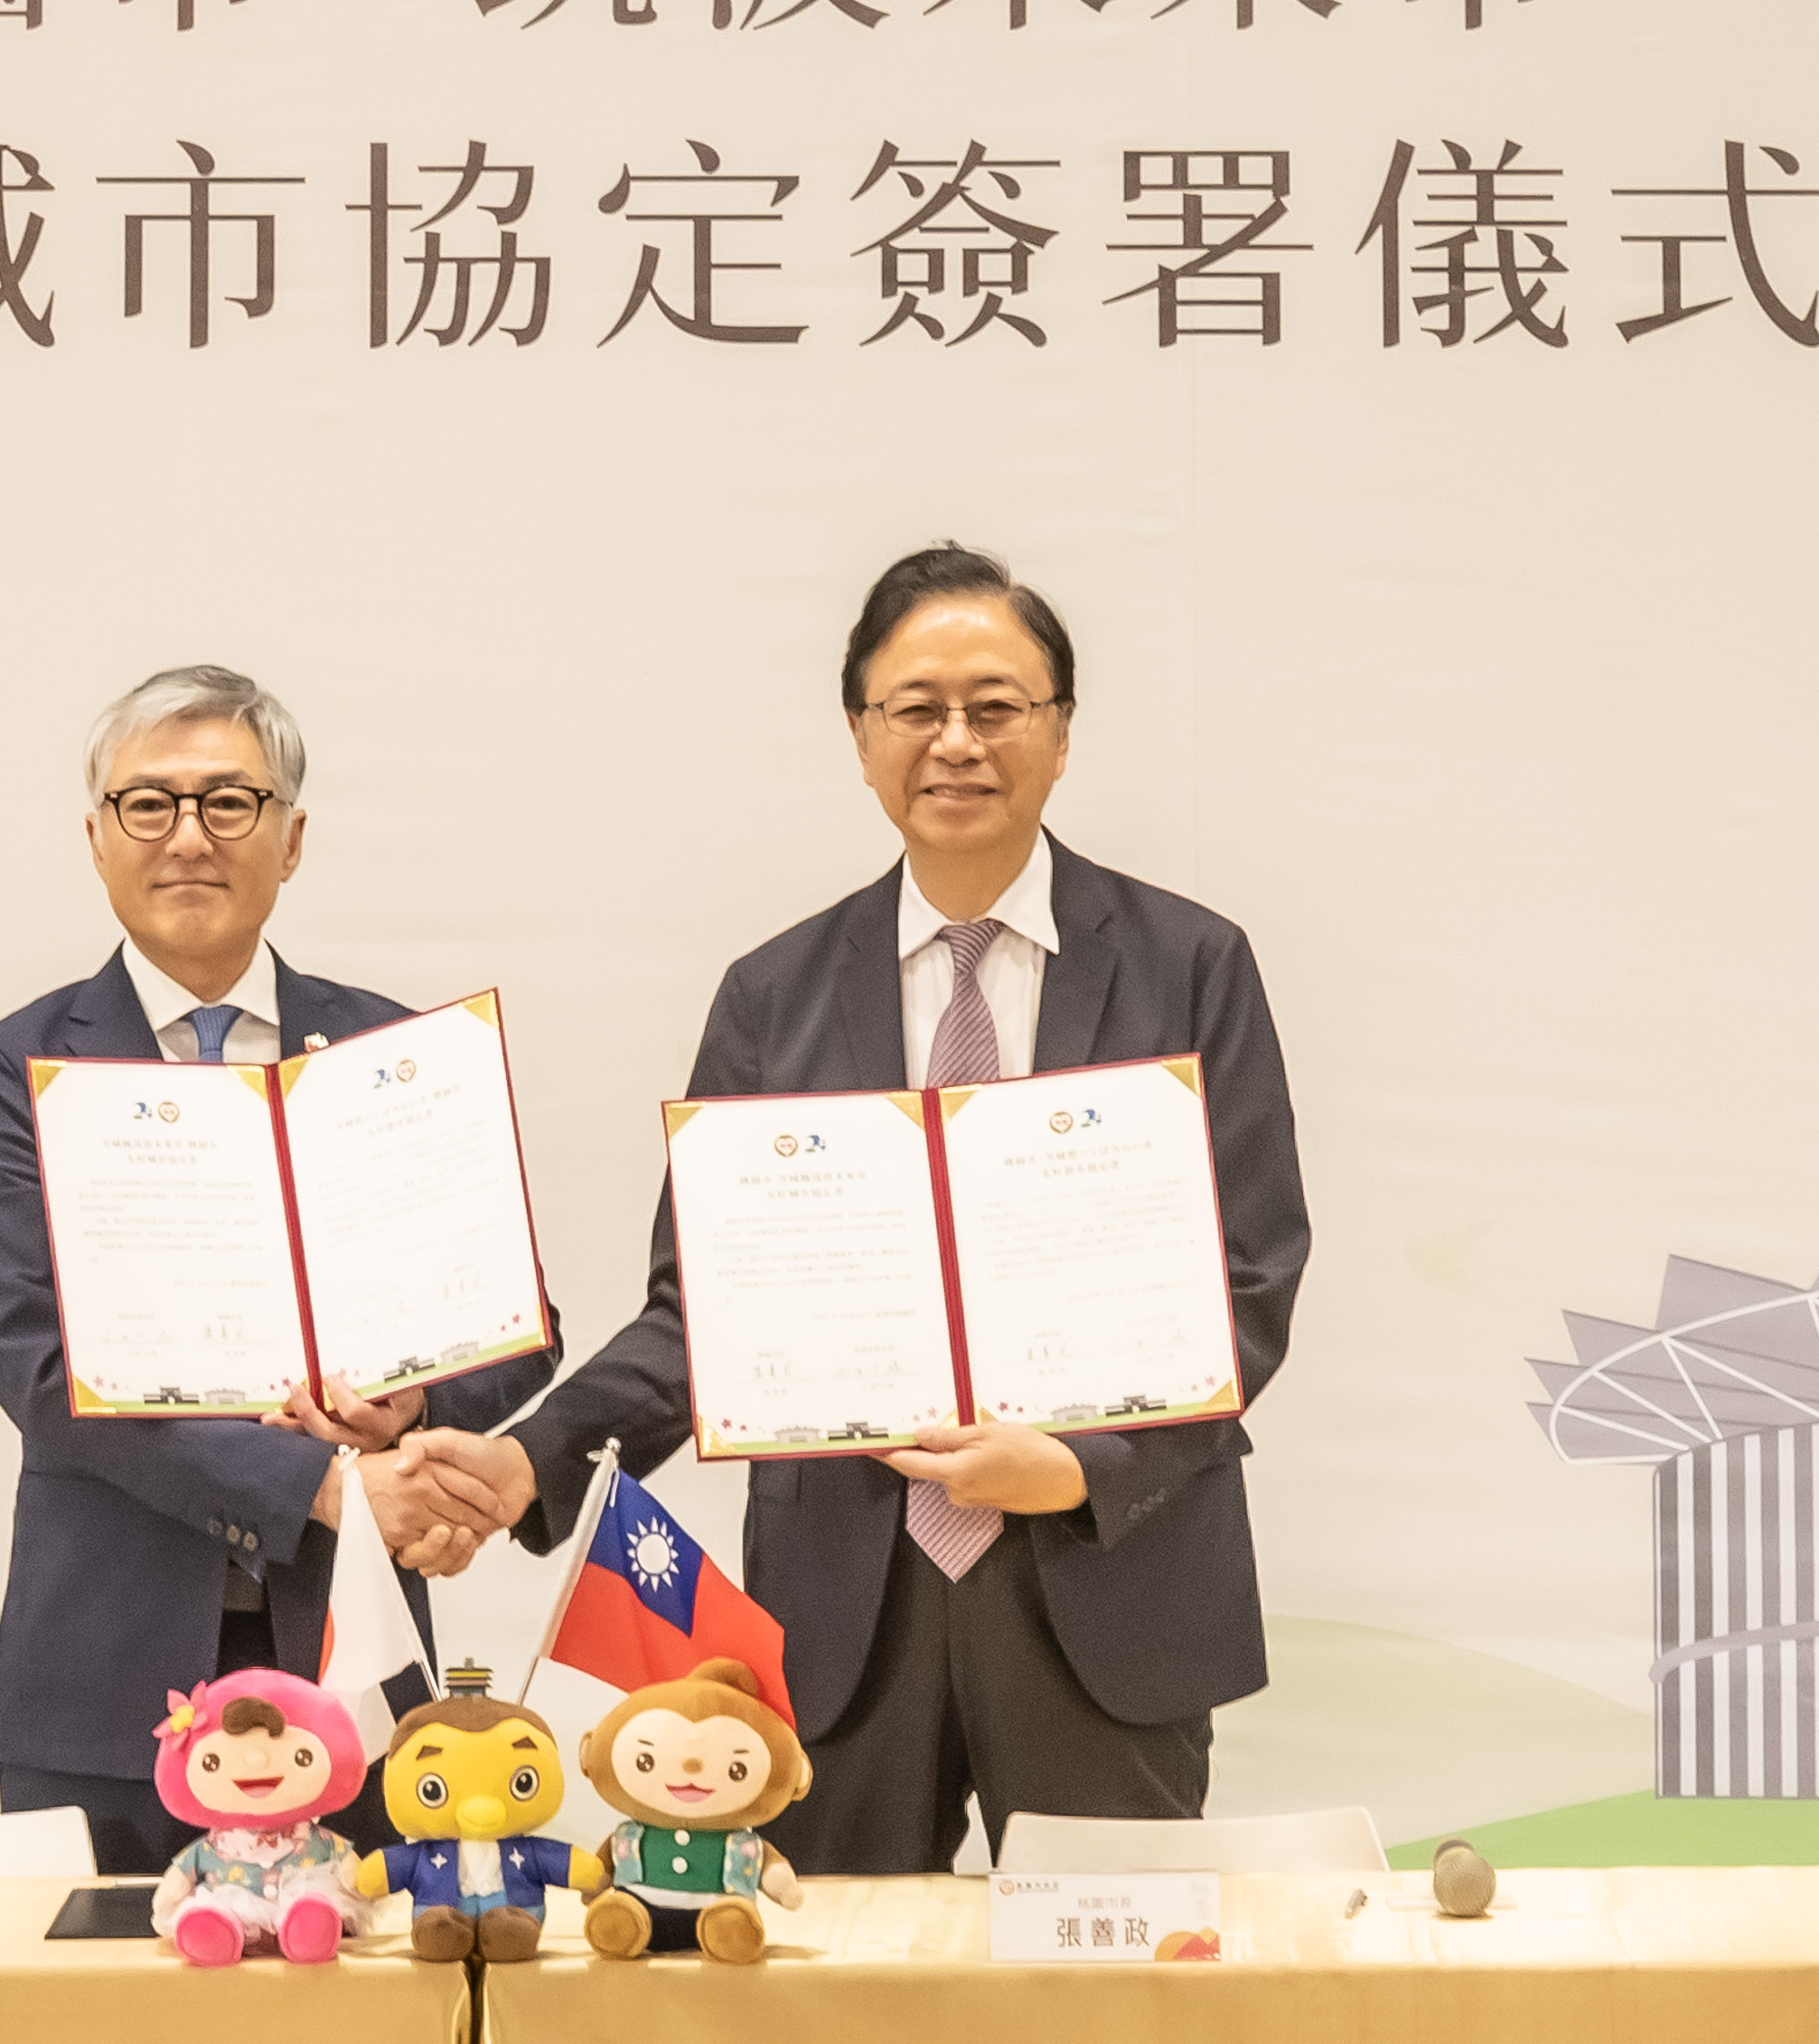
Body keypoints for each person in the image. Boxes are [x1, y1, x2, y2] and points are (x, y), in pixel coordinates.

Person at [403, 546, 1310, 1871]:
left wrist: (1076, 1469)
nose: (958, 742)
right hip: (845, 1605)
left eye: (997, 707)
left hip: (1109, 1589)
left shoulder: (1190, 965)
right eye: (917, 708)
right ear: (861, 737)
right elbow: (701, 1310)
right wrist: (532, 1459)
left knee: (1103, 1965)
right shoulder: (773, 995)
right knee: (840, 1966)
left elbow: (1248, 1278)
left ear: (1061, 732)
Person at [0, 663, 559, 1873]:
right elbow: (42, 1370)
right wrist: (323, 1486)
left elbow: (518, 1320)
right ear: (96, 838)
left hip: (355, 1665)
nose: (189, 836)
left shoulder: (394, 1051)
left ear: (292, 839)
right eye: (149, 804)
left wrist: (411, 1407)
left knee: (363, 1966)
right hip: (109, 1679)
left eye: (230, 802)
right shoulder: (14, 1069)